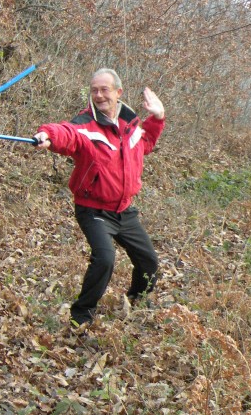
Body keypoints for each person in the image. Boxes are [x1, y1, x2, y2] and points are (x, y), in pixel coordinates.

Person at [32, 68, 165, 330]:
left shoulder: (132, 125)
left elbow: (146, 141)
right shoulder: (85, 125)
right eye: (94, 90)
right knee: (105, 259)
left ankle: (137, 298)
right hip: (92, 209)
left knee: (148, 261)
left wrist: (158, 117)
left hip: (124, 211)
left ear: (118, 92)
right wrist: (47, 135)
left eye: (104, 90)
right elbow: (65, 133)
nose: (99, 95)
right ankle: (81, 315)